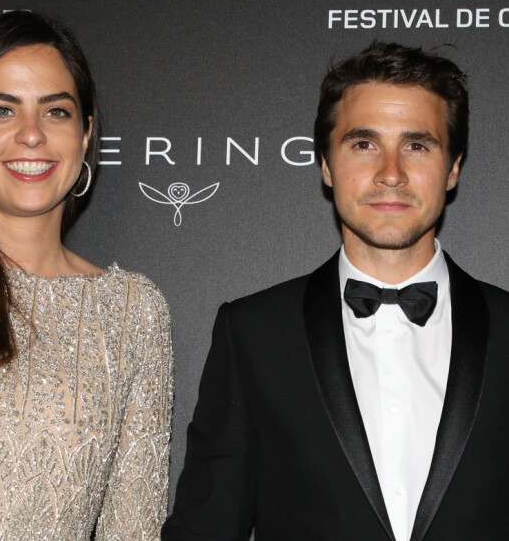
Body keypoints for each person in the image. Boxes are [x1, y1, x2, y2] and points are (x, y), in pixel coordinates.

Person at [162, 41, 509, 541]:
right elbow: (208, 526)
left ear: (453, 167)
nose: (391, 173)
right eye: (363, 143)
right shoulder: (256, 333)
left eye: (417, 144)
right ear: (326, 164)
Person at [0, 10, 173, 540]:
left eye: (56, 112)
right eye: (1, 111)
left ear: (85, 136)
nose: (31, 135)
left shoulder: (133, 311)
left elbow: (133, 527)